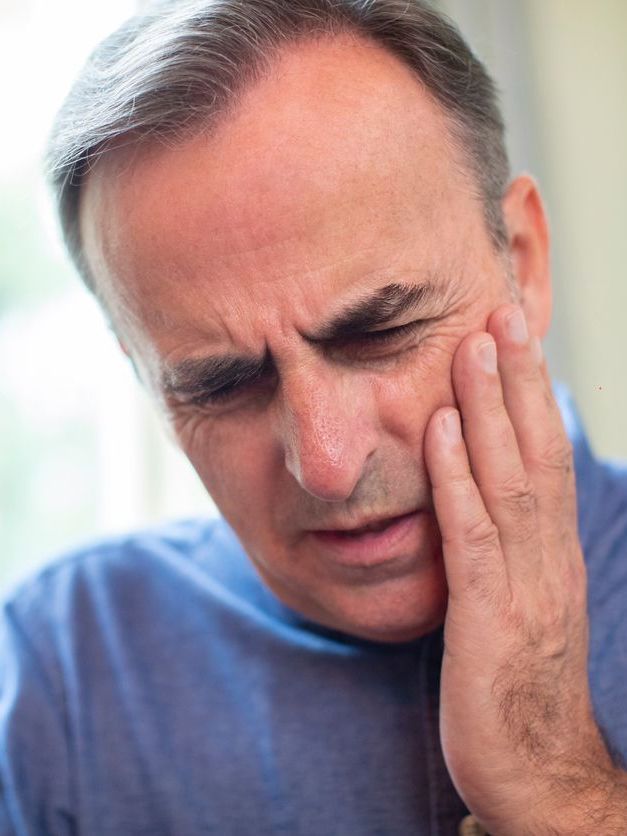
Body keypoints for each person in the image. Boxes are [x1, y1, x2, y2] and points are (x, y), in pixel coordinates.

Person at [2, 0, 627, 833]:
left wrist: (557, 789)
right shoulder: (55, 678)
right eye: (220, 383)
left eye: (380, 331)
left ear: (521, 262)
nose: (327, 464)